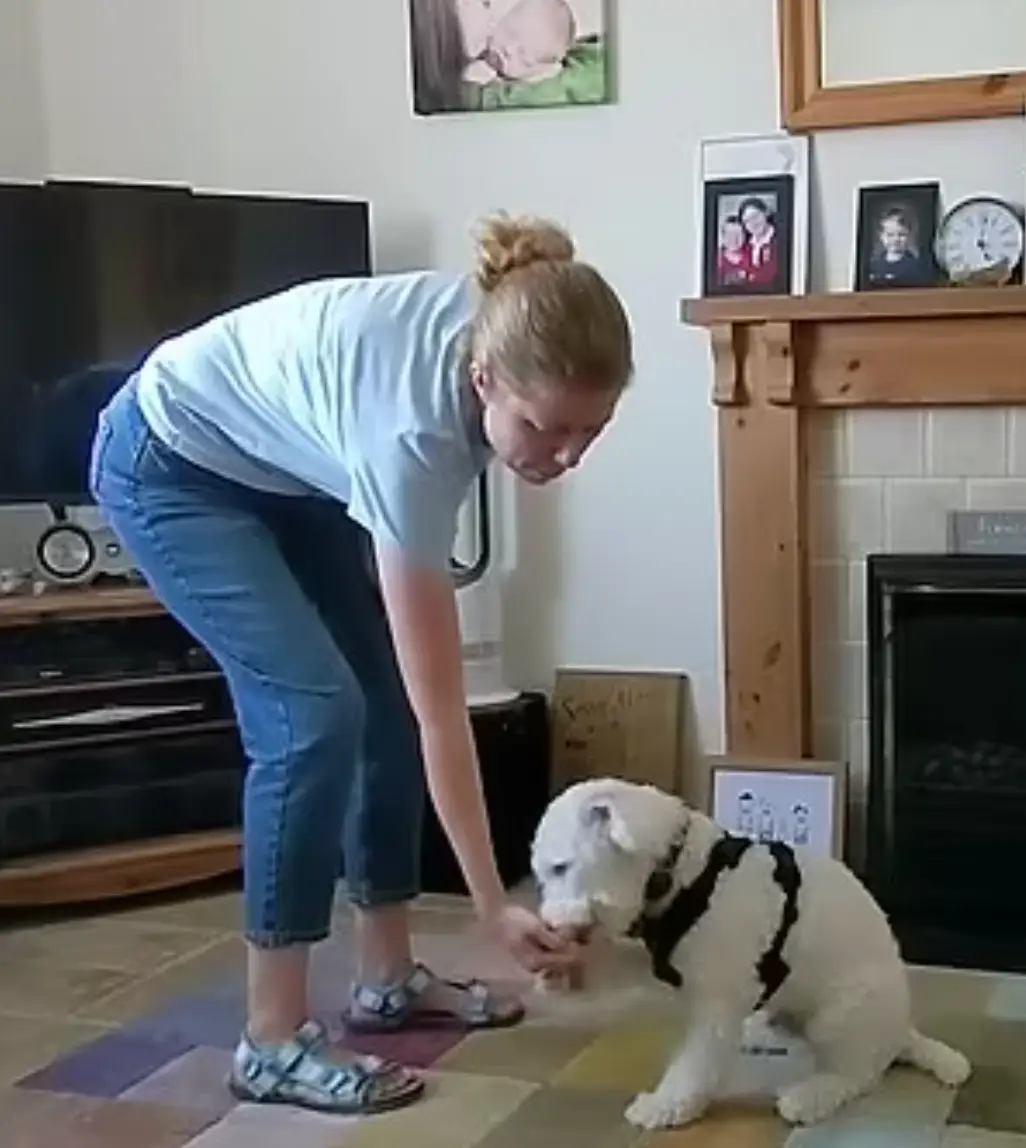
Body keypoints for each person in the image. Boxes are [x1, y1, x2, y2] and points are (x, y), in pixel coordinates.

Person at [89, 212, 633, 1116]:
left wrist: (491, 901)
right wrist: (492, 905)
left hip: (283, 473)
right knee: (312, 718)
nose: (566, 456)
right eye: (547, 429)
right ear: (484, 380)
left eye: (591, 430)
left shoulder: (515, 315)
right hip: (170, 465)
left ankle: (386, 981)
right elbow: (443, 714)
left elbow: (410, 711)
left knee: (375, 704)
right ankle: (270, 1040)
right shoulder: (411, 439)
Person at [867, 205, 927, 287]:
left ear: (909, 236)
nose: (896, 239)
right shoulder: (875, 264)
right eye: (890, 235)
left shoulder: (914, 266)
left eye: (902, 235)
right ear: (881, 236)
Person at [738, 196, 778, 288]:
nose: (752, 223)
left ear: (766, 213)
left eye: (755, 216)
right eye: (747, 221)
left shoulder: (780, 240)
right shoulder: (746, 245)